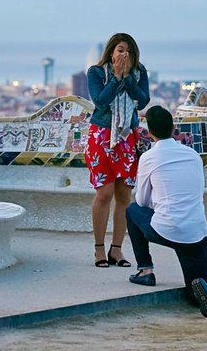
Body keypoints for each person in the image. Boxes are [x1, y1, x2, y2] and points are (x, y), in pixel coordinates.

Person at [125, 105, 207, 318]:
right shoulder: (193, 155)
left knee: (131, 210)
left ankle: (145, 270)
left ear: (149, 132)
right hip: (196, 231)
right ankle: (196, 291)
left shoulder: (148, 158)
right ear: (173, 127)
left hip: (166, 229)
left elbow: (141, 200)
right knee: (196, 286)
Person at [86, 33, 150, 268]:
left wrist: (128, 79)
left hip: (127, 138)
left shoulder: (139, 72)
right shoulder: (96, 72)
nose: (125, 55)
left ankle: (117, 249)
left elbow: (142, 102)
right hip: (102, 136)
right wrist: (115, 77)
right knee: (104, 193)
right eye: (121, 50)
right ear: (111, 51)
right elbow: (101, 101)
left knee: (124, 195)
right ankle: (99, 249)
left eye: (129, 51)